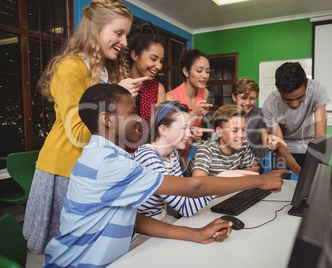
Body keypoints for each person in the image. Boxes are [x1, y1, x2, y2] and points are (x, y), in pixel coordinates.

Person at [42, 83, 288, 267]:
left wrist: (195, 234)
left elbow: (133, 219)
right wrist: (261, 180)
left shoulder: (111, 157)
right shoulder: (108, 164)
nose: (139, 119)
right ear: (107, 119)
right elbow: (195, 188)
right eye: (132, 112)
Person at [23, 0, 147, 255]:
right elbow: (79, 133)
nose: (125, 42)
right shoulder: (70, 67)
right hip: (64, 170)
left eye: (126, 34)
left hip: (94, 168)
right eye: (119, 33)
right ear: (95, 29)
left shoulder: (105, 70)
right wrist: (117, 98)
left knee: (94, 249)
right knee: (66, 250)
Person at [134, 101, 256, 222]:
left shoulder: (172, 154)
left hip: (159, 218)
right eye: (184, 128)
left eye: (189, 128)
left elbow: (183, 194)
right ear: (163, 130)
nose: (189, 133)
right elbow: (185, 208)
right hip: (136, 227)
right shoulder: (148, 156)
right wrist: (221, 178)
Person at [262, 62, 328, 177]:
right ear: (278, 89)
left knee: (315, 181)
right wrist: (300, 173)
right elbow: (280, 145)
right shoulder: (269, 105)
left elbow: (320, 137)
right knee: (280, 184)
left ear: (307, 83)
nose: (294, 104)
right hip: (284, 146)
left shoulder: (317, 89)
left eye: (300, 97)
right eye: (287, 99)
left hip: (309, 144)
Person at [188, 104, 285, 177]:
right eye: (235, 130)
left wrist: (232, 175)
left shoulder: (242, 145)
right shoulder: (205, 149)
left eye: (243, 129)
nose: (241, 135)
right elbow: (200, 182)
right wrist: (232, 177)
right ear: (219, 132)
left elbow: (254, 169)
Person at [125, 22, 166, 153]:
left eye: (161, 61)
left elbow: (161, 128)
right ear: (134, 55)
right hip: (120, 156)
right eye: (153, 59)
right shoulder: (118, 82)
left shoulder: (158, 89)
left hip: (148, 157)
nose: (159, 66)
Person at [232, 77, 287, 173]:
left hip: (255, 164)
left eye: (252, 98)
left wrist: (270, 145)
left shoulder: (260, 114)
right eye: (243, 98)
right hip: (232, 164)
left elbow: (266, 146)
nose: (248, 103)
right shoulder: (227, 114)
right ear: (234, 97)